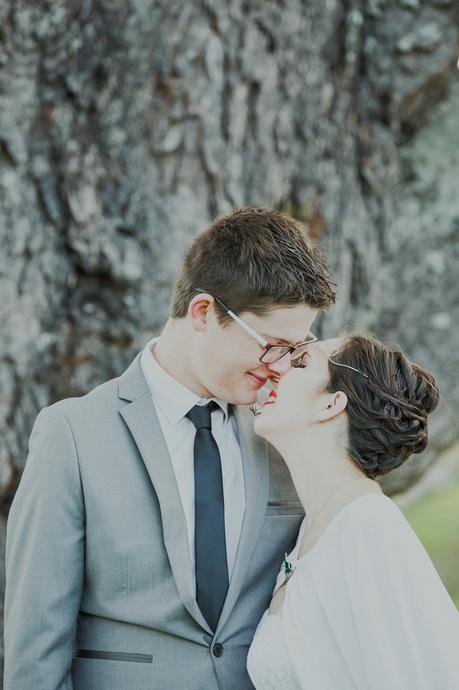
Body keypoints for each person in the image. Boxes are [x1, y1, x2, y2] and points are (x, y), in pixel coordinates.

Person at [3, 207, 336, 690]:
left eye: (296, 349)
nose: (282, 367)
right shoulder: (72, 434)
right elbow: (35, 653)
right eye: (272, 345)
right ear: (203, 313)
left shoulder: (285, 431)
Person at [247, 333, 459, 689]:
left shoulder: (366, 526)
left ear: (330, 405)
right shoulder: (312, 530)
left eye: (300, 363)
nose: (276, 367)